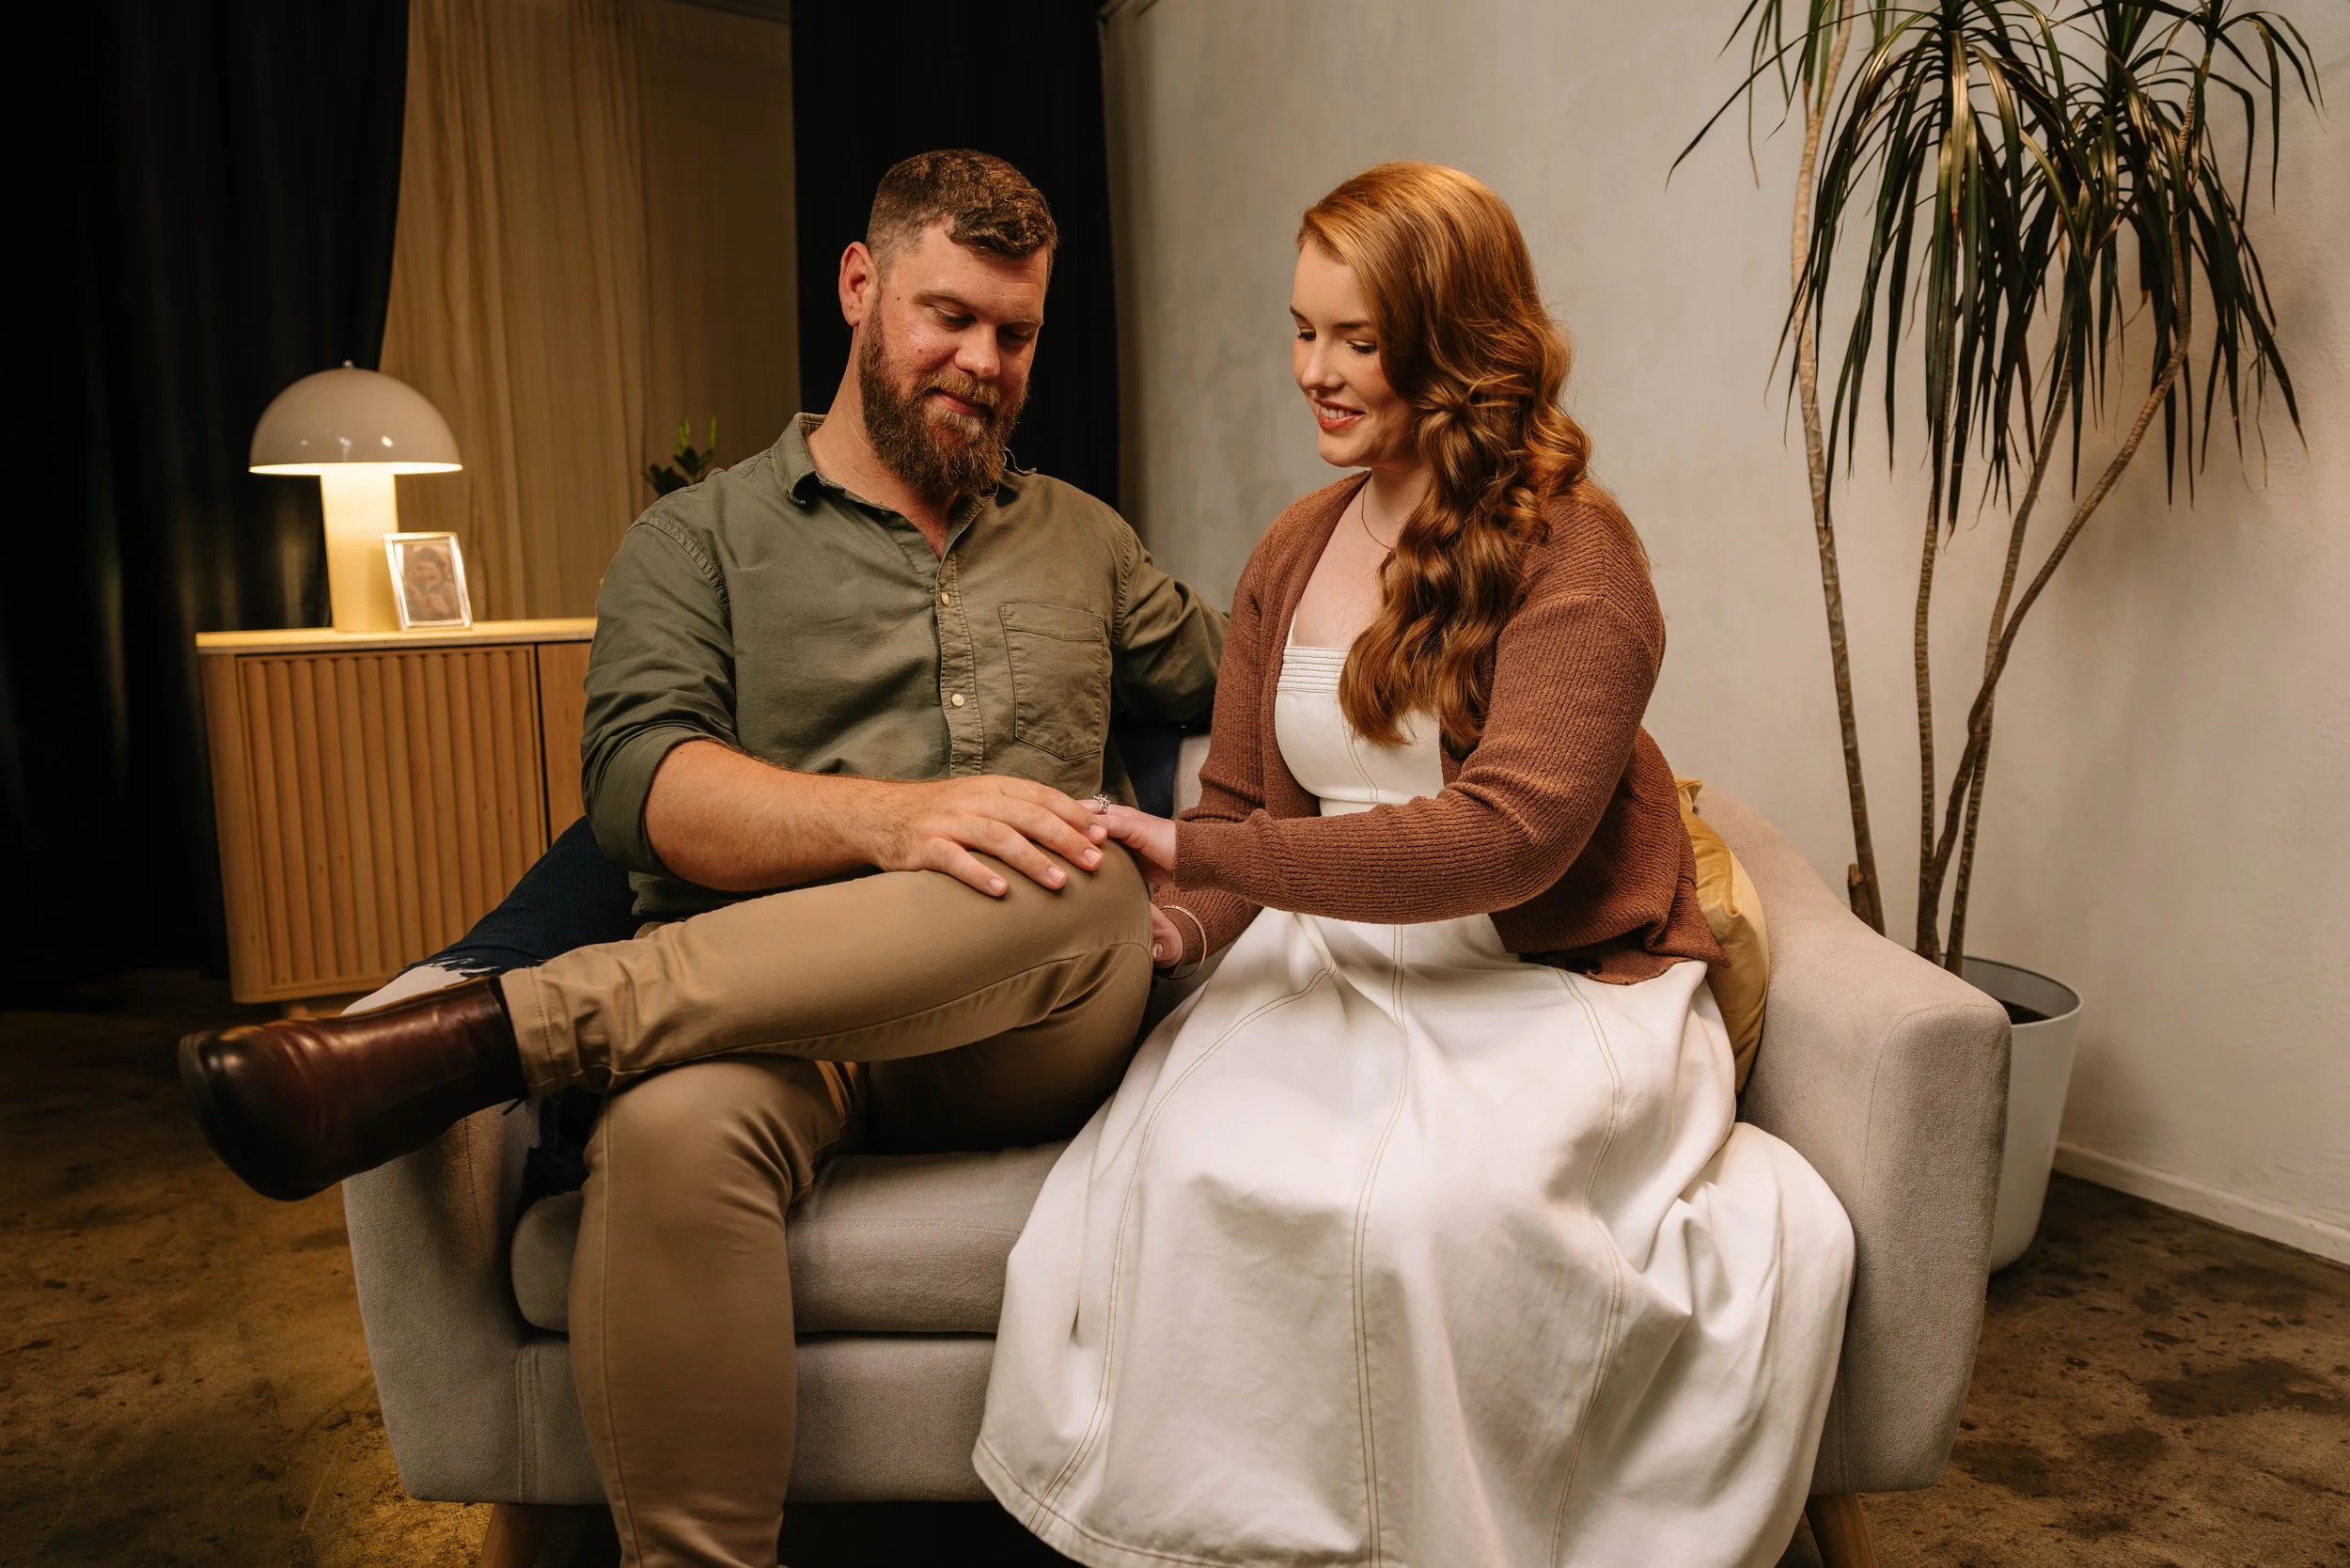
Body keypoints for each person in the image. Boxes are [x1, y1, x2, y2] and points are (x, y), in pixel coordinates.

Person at [177, 149, 1223, 1567]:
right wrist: (894, 820)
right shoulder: (696, 543)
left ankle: (502, 1035)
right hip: (773, 1022)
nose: (983, 362)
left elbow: (1268, 692)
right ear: (859, 287)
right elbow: (642, 792)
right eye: (948, 316)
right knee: (666, 1136)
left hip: (1027, 1014)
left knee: (1078, 866)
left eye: (1015, 332)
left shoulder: (1085, 540)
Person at [975, 163, 1854, 1568]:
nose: (1312, 373)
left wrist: (1205, 849)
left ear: (1452, 345)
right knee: (1187, 1171)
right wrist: (1177, 930)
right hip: (1326, 964)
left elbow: (1509, 841)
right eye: (1301, 330)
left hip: (1542, 985)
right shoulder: (1294, 548)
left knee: (1444, 1213)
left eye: (1355, 340)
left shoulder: (1580, 552)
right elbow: (1252, 801)